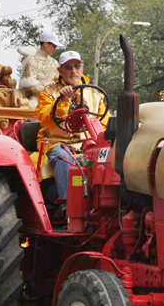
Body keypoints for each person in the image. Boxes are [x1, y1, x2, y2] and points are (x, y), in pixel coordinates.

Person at [36, 51, 110, 212]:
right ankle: (69, 208)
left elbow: (104, 122)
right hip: (56, 141)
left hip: (87, 143)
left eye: (77, 66)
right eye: (68, 67)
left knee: (109, 156)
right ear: (60, 71)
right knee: (62, 157)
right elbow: (45, 119)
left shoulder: (95, 94)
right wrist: (62, 101)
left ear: (82, 67)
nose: (73, 71)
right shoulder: (48, 93)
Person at [18, 31, 64, 108]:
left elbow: (60, 82)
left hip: (55, 100)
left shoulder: (54, 62)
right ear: (45, 44)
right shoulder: (32, 61)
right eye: (54, 46)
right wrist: (48, 92)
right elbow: (31, 85)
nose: (55, 49)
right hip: (37, 101)